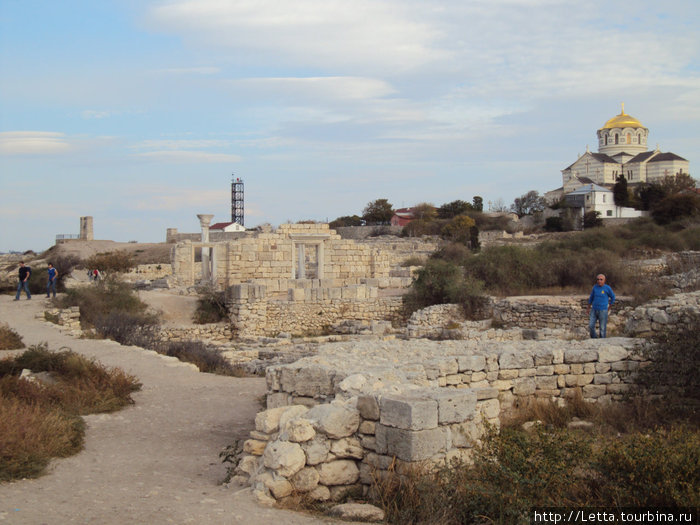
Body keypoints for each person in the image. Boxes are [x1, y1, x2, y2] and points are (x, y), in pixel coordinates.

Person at [587, 274, 615, 338]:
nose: (599, 281)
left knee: (602, 328)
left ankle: (602, 341)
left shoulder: (607, 288)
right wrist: (588, 308)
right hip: (594, 309)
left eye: (601, 279)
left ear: (604, 280)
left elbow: (613, 297)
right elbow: (591, 298)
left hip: (603, 310)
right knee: (591, 325)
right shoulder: (595, 287)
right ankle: (594, 339)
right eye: (598, 279)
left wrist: (609, 307)